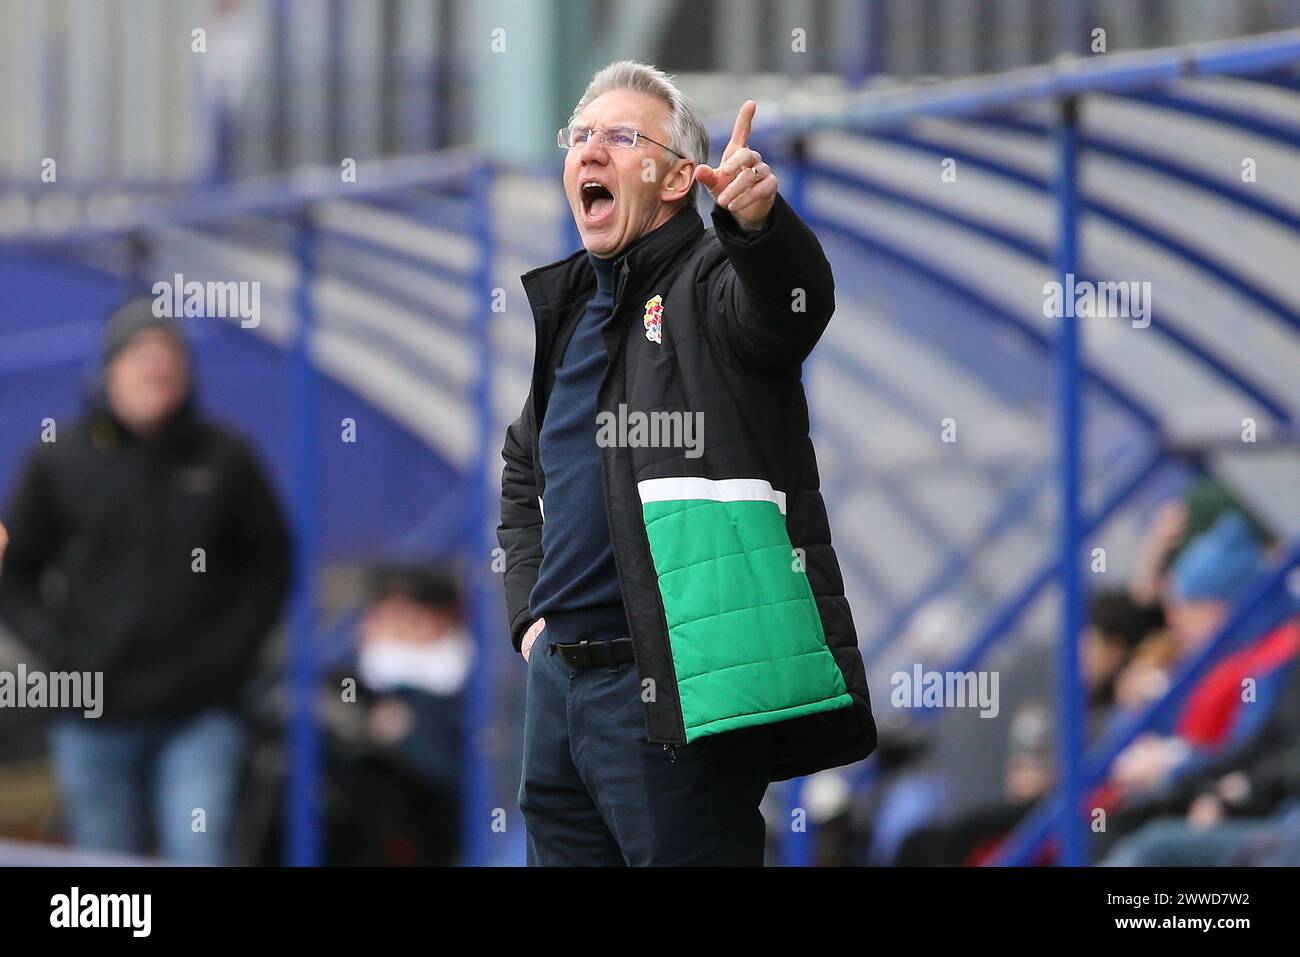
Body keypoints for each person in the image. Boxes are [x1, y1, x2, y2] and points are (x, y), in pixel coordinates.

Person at [497, 61, 876, 866]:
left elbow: (789, 307)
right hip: (560, 690)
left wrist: (758, 227)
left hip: (675, 688)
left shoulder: (709, 281)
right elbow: (523, 465)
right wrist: (530, 616)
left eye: (620, 136)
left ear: (676, 180)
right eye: (580, 136)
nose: (590, 151)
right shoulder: (570, 310)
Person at [0, 298, 292, 865]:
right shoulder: (58, 459)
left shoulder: (225, 458)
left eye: (168, 363)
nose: (156, 375)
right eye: (142, 361)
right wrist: (61, 656)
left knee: (199, 850)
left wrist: (229, 657)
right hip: (93, 717)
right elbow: (15, 575)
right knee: (110, 876)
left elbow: (271, 564)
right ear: (110, 371)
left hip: (200, 713)